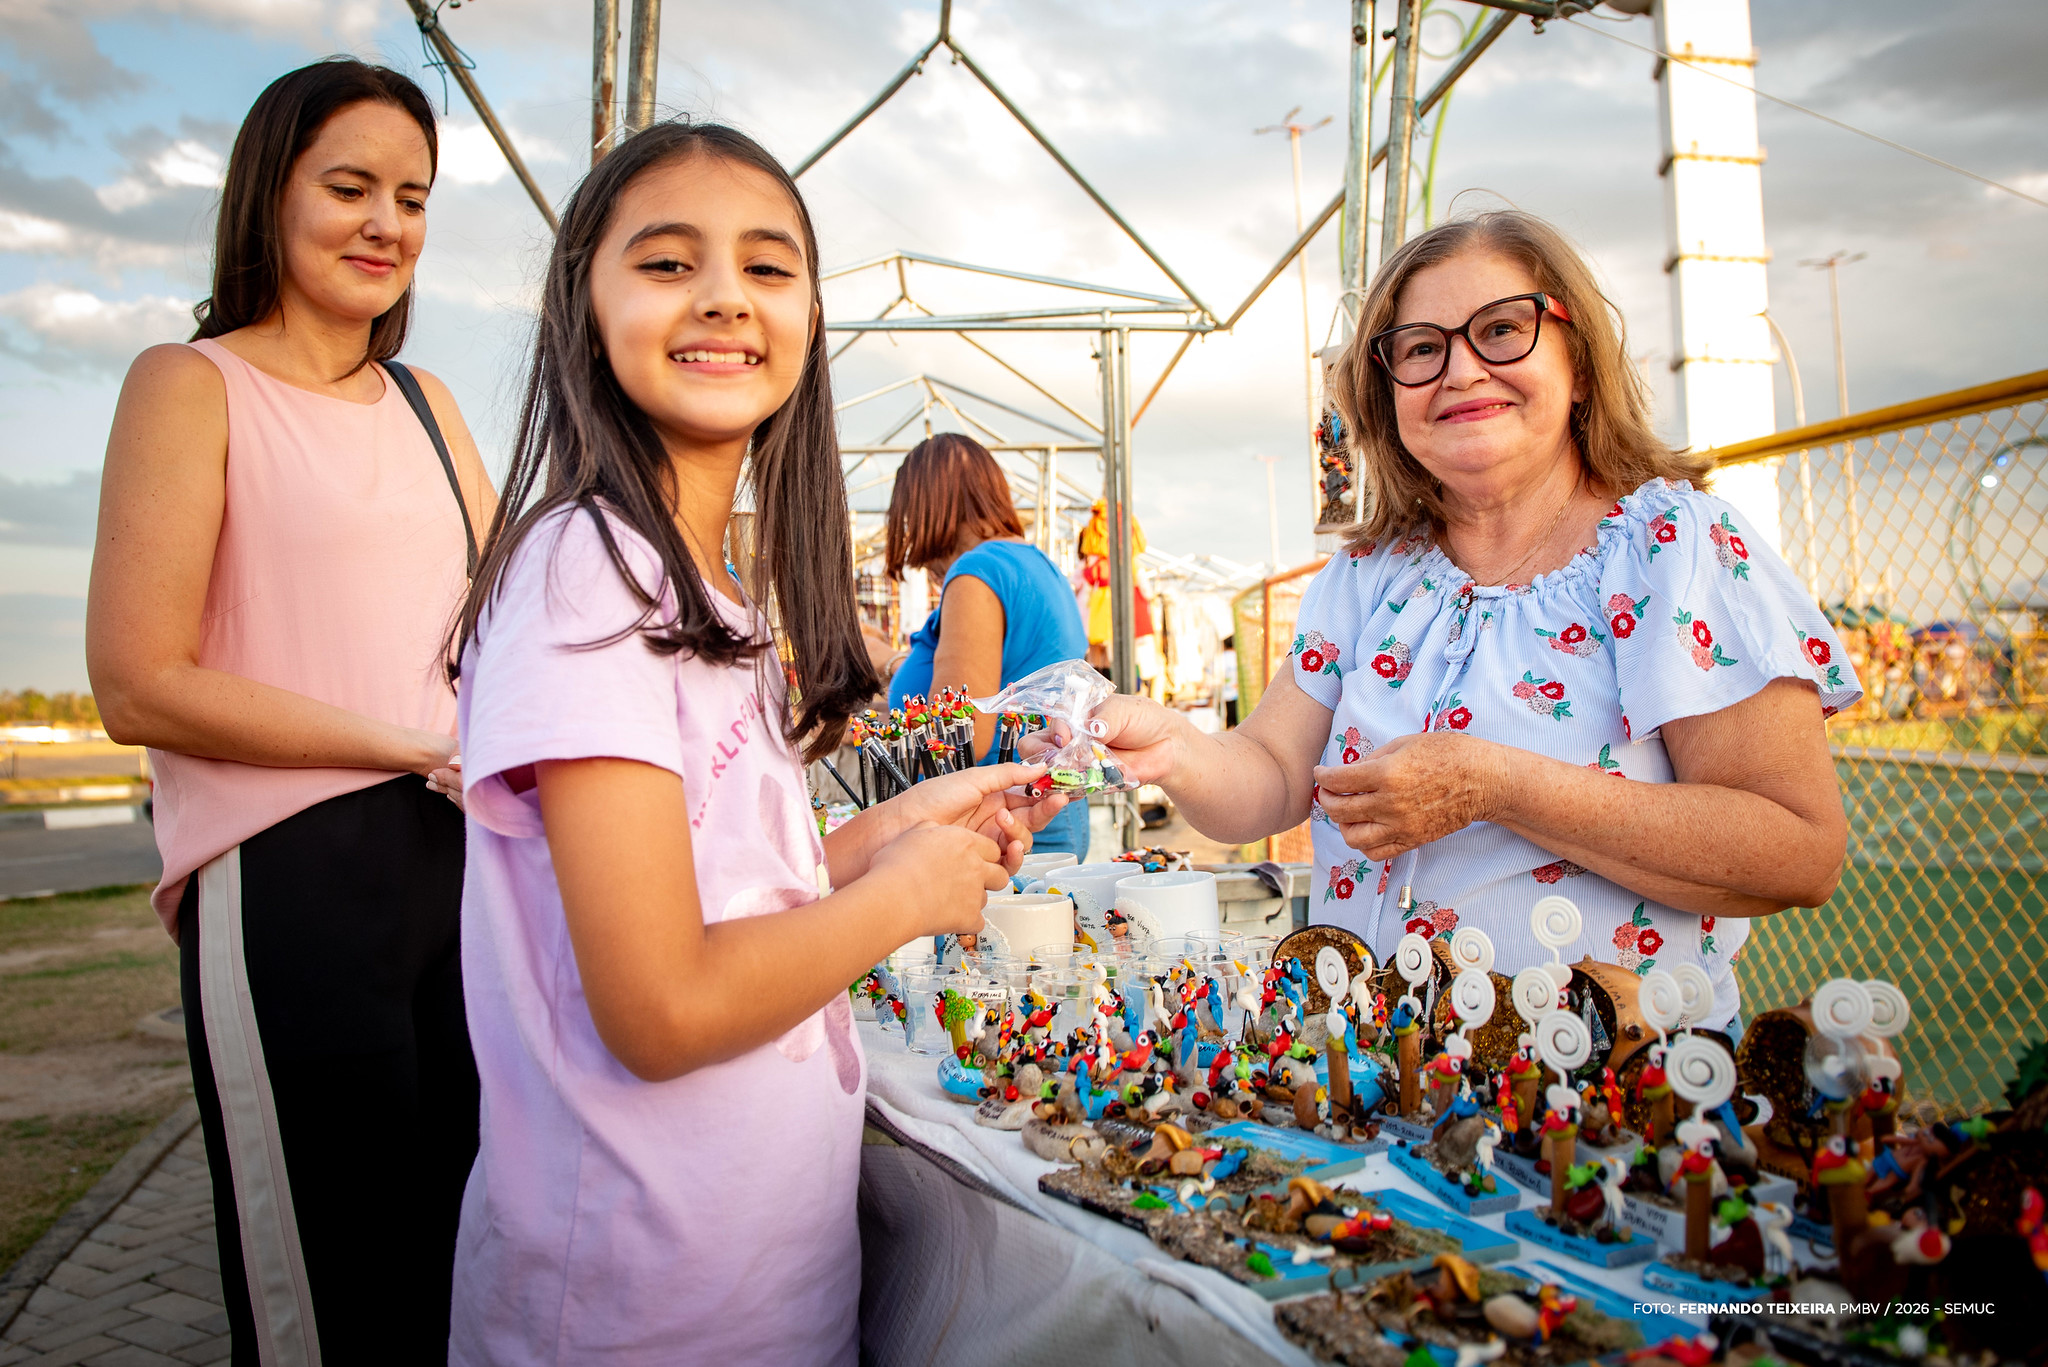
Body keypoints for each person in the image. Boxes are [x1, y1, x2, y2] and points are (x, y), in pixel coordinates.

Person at [445, 122, 1067, 1363]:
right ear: (585, 302)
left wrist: (886, 836)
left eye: (768, 267)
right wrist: (899, 898)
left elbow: (717, 892)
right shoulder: (589, 572)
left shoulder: (708, 593)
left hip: (753, 1281)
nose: (724, 294)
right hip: (635, 1304)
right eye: (668, 263)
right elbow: (661, 1001)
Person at [1069, 211, 1860, 1029]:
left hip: (1612, 1095)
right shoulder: (1370, 575)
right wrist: (1175, 747)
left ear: (1579, 364)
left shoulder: (1674, 549)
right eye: (1420, 348)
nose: (1461, 370)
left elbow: (1798, 852)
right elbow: (1270, 774)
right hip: (1372, 1073)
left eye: (1502, 329)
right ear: (1387, 394)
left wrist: (1494, 783)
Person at [85, 59, 492, 1362]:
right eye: (351, 186)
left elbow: (510, 632)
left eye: (413, 197)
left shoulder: (431, 407)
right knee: (333, 1290)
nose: (387, 222)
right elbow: (135, 681)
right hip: (290, 880)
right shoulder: (188, 383)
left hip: (465, 865)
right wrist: (405, 739)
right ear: (271, 191)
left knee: (461, 1265)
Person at [885, 432, 1093, 856]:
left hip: (1000, 831)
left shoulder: (978, 572)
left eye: (908, 518)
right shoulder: (1036, 564)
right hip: (1043, 821)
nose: (913, 546)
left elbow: (959, 738)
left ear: (927, 508)